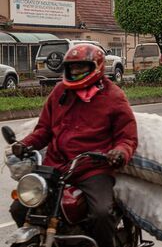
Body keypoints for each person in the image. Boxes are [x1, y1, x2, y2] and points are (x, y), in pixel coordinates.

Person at [9, 43, 138, 247]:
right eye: (72, 67)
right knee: (19, 208)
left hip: (91, 169)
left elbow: (127, 137)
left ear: (97, 66)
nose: (76, 71)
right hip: (55, 165)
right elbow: (44, 129)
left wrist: (119, 152)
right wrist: (25, 144)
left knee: (101, 213)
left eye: (81, 67)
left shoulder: (113, 97)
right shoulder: (60, 92)